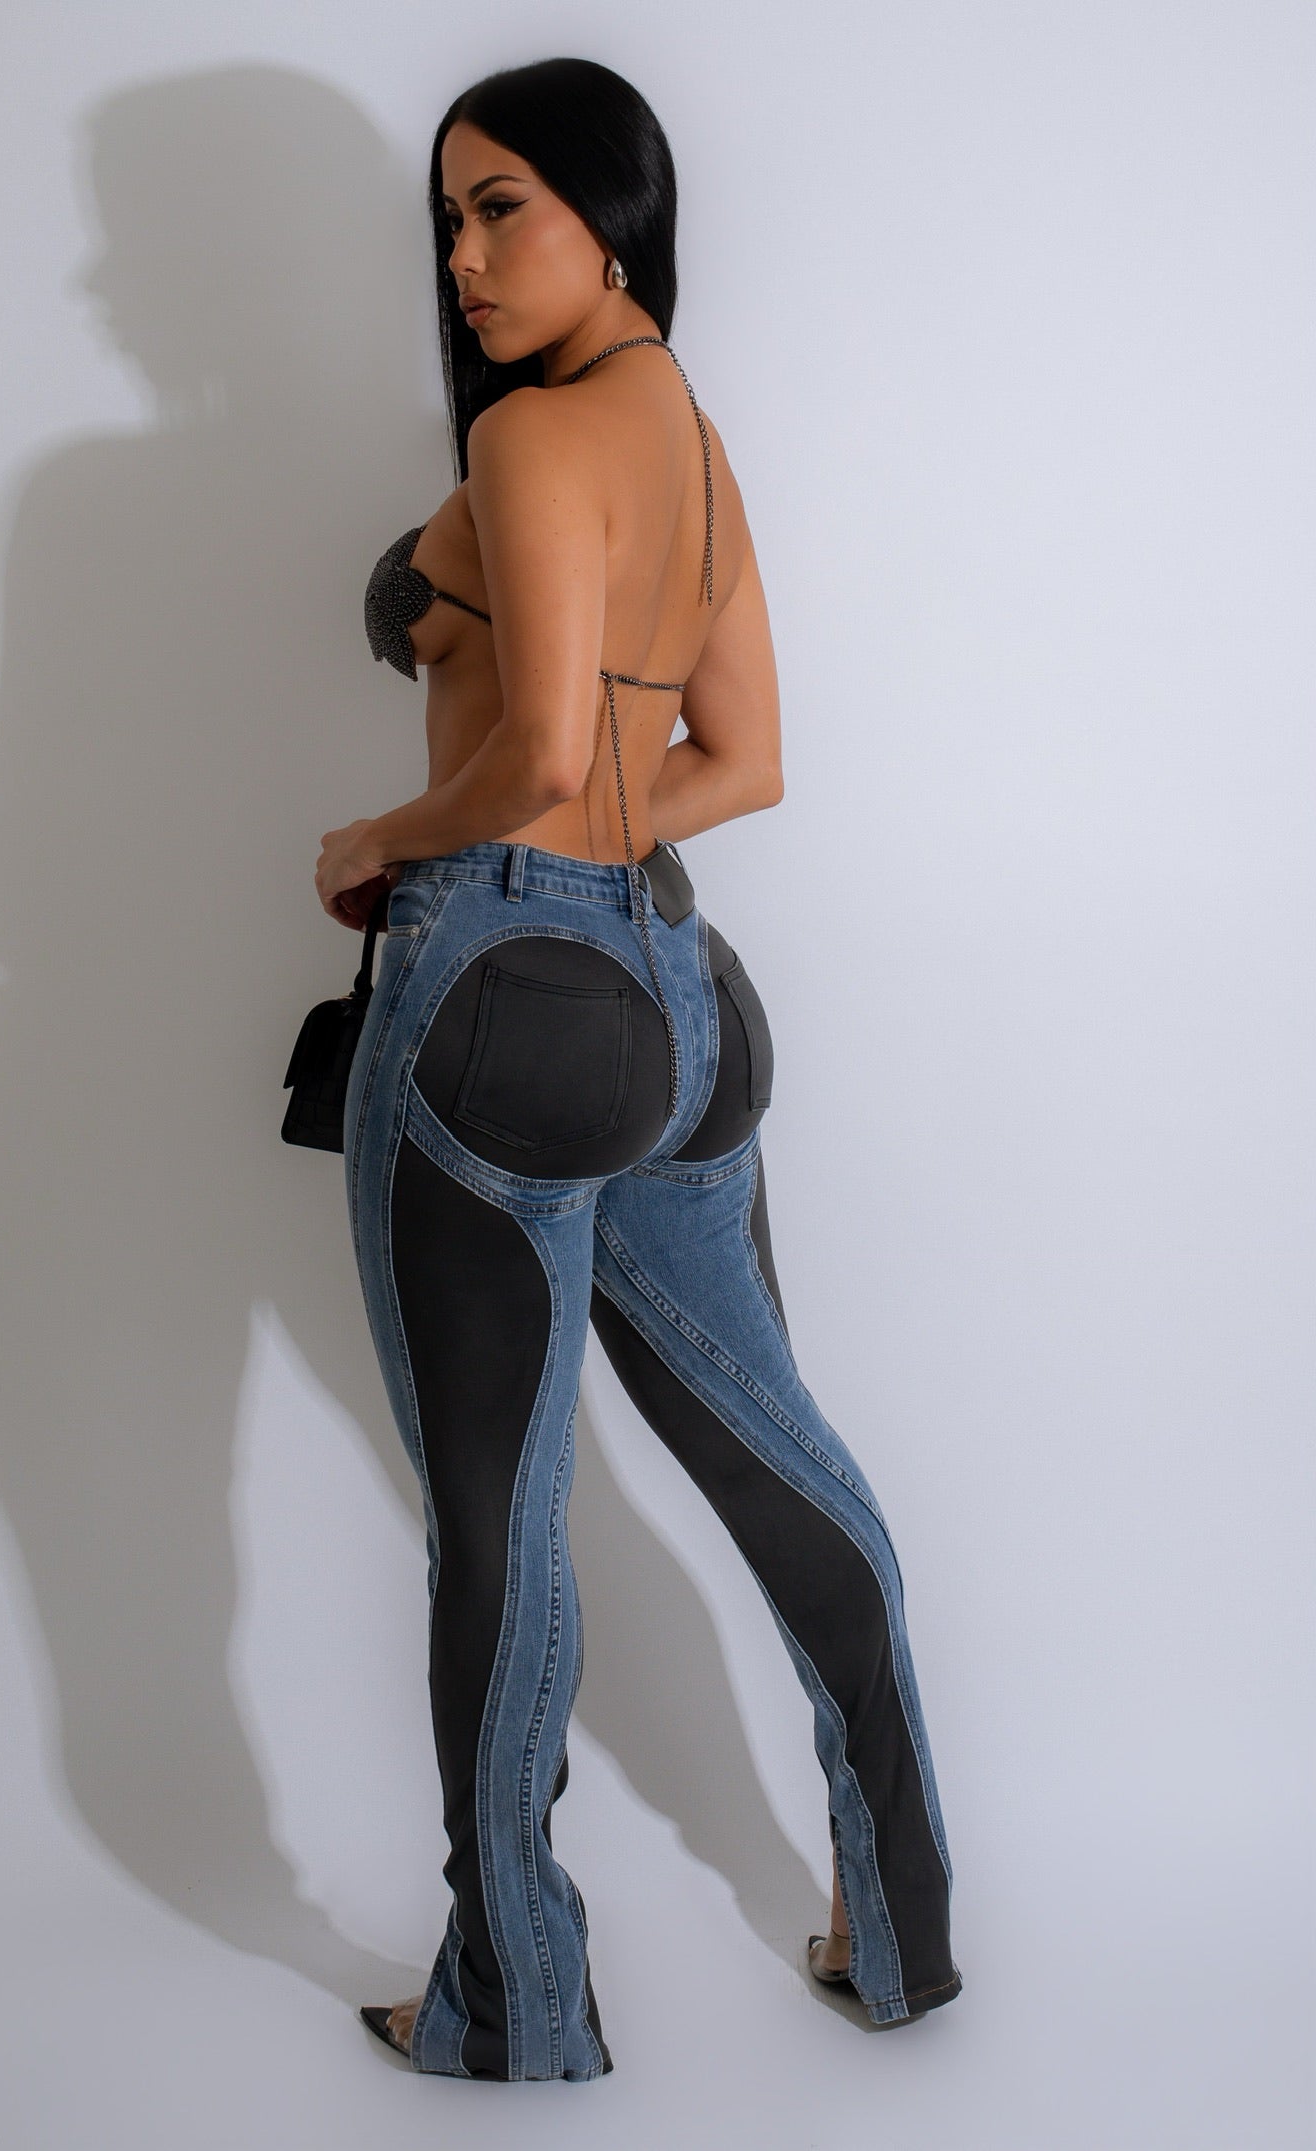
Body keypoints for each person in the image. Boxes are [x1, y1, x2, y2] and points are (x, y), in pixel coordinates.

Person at [314, 56, 962, 2082]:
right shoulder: (694, 443)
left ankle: (511, 1996)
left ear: (614, 211)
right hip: (684, 999)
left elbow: (525, 755)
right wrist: (591, 856)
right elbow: (739, 761)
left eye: (500, 204)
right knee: (785, 1454)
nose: (464, 253)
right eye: (447, 217)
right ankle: (902, 1921)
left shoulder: (528, 435)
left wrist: (385, 845)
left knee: (500, 1521)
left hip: (500, 999)